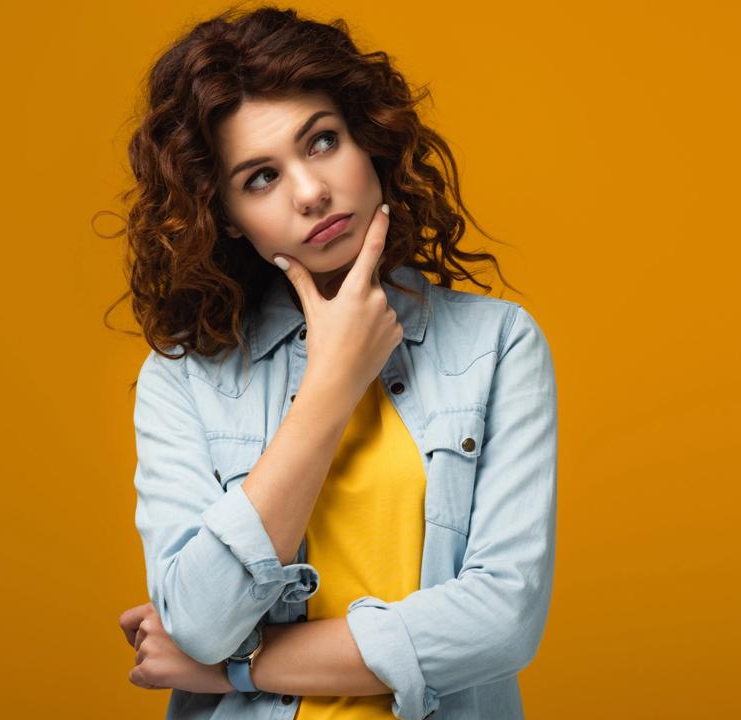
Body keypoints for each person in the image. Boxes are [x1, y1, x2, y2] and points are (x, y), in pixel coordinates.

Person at [110, 6, 558, 719]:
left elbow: (502, 618)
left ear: (368, 140)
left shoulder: (497, 346)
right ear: (226, 215)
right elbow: (198, 618)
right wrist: (331, 383)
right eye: (259, 178)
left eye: (321, 142)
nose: (310, 191)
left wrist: (238, 669)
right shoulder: (183, 381)